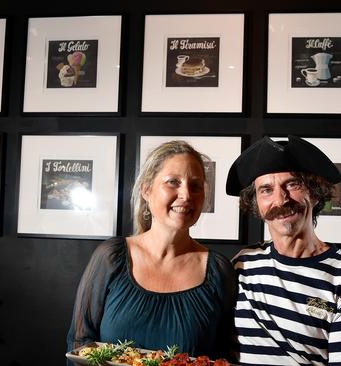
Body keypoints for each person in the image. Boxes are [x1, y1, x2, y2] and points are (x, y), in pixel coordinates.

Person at [226, 135, 341, 365]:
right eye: (266, 190)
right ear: (257, 204)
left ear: (314, 193)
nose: (280, 200)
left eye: (292, 184)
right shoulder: (243, 265)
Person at [67, 140, 236, 360]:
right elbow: (81, 343)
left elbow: (222, 357)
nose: (186, 194)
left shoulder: (219, 271)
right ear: (147, 190)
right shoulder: (111, 257)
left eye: (195, 185)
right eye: (173, 182)